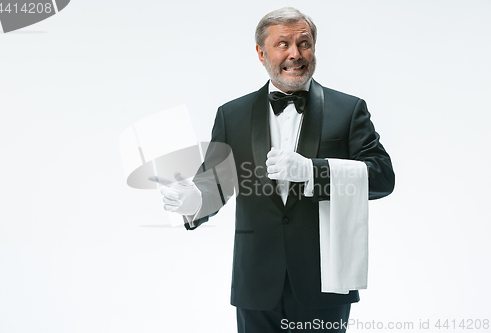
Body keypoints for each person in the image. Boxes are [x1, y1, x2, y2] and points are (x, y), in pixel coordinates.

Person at [156, 7, 394, 333]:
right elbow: (217, 183)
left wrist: (314, 171)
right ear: (260, 52)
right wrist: (193, 201)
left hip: (324, 283)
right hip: (255, 284)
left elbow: (382, 176)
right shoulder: (232, 115)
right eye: (283, 44)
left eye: (304, 43)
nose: (295, 54)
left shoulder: (348, 110)